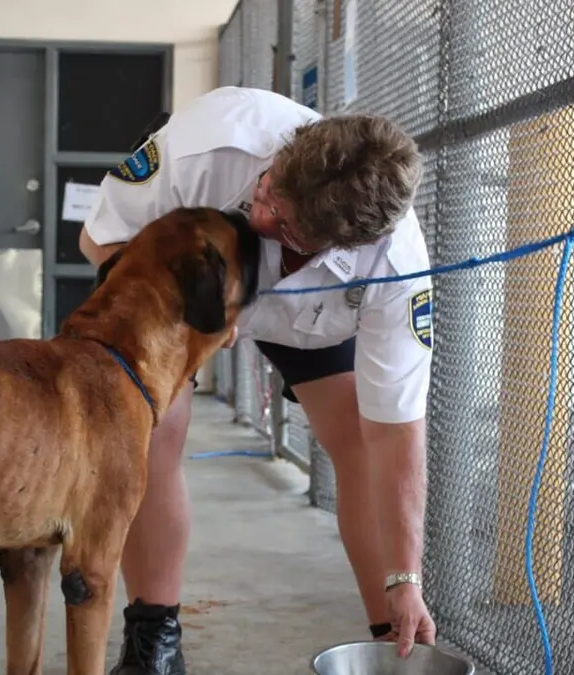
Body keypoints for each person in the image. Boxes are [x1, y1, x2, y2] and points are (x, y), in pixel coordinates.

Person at [79, 86, 437, 675]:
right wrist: (198, 317)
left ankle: (389, 640)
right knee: (155, 434)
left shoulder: (394, 271)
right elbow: (99, 237)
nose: (261, 211)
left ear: (337, 242)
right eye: (269, 189)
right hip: (186, 291)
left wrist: (408, 577)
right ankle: (154, 640)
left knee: (356, 443)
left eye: (282, 220)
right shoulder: (212, 143)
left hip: (314, 317)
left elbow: (395, 438)